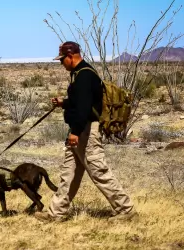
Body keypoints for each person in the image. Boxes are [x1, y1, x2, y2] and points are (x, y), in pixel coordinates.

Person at [34, 41, 137, 222]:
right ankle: (56, 213)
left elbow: (83, 109)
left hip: (86, 131)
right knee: (69, 174)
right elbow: (81, 102)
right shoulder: (79, 74)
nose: (61, 63)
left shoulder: (84, 75)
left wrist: (75, 132)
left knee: (98, 171)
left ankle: (125, 209)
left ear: (70, 56)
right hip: (80, 130)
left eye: (61, 60)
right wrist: (64, 103)